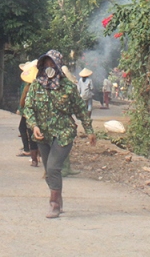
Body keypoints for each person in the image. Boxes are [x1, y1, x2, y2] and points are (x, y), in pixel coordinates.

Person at [21, 50, 95, 219]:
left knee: (53, 167)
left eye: (52, 64)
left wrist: (89, 131)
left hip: (64, 133)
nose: (49, 67)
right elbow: (28, 108)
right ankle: (58, 197)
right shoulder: (36, 85)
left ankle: (54, 204)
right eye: (46, 64)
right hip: (43, 135)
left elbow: (81, 110)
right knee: (49, 171)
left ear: (58, 66)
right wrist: (34, 126)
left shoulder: (68, 87)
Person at [16, 60, 39, 167]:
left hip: (28, 113)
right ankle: (39, 155)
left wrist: (21, 109)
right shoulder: (41, 86)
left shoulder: (27, 86)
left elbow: (23, 101)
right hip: (40, 113)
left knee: (28, 131)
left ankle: (32, 157)